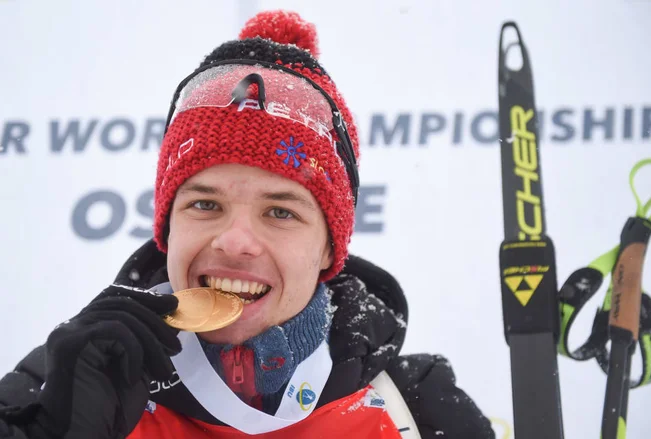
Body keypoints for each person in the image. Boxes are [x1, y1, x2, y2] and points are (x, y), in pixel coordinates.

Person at [0, 10, 495, 439]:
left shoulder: (418, 409)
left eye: (280, 211)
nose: (235, 241)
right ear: (168, 227)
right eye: (205, 205)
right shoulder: (63, 383)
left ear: (329, 249)